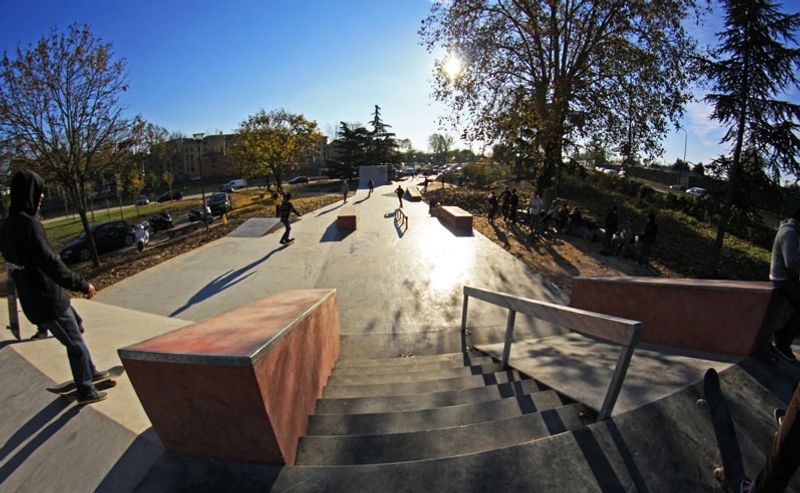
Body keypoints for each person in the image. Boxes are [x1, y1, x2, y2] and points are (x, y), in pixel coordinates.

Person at [0, 169, 107, 404]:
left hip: (36, 299)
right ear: (29, 194)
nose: (42, 198)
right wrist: (82, 284)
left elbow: (17, 265)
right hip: (48, 300)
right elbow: (51, 264)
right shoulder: (29, 225)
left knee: (77, 327)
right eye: (39, 194)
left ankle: (92, 371)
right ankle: (85, 389)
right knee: (75, 344)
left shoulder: (6, 227)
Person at [769, 208, 800, 362]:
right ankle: (783, 340)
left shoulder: (792, 231)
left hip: (787, 278)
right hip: (781, 279)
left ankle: (784, 337)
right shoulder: (789, 233)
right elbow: (791, 263)